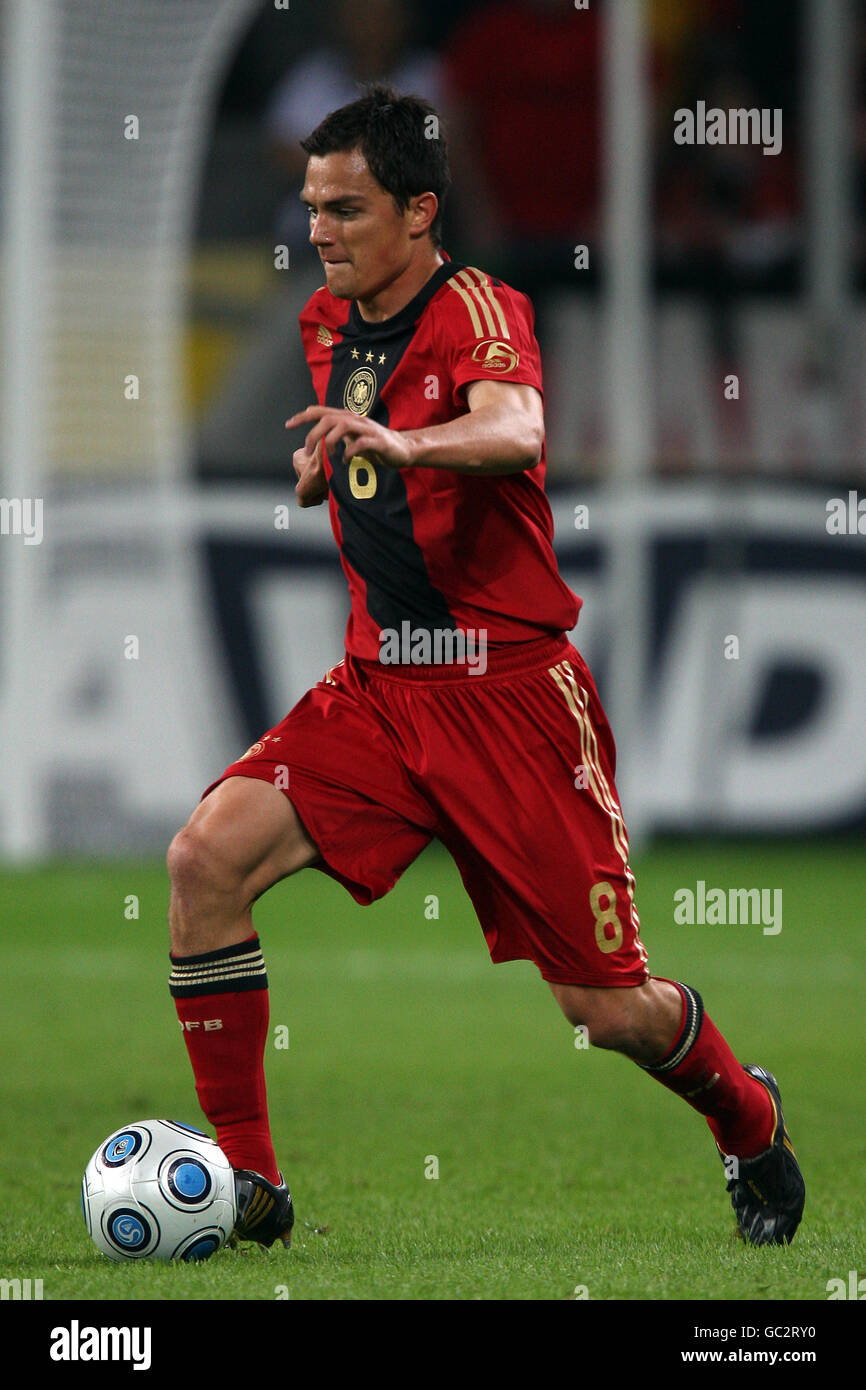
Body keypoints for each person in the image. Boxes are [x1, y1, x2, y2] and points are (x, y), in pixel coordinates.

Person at [166, 86, 805, 1251]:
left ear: (418, 212)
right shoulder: (326, 323)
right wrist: (340, 470)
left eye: (347, 210)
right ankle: (247, 1183)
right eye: (312, 208)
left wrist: (405, 441)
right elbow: (365, 456)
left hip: (508, 698)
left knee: (604, 1007)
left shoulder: (478, 307)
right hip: (376, 692)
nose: (321, 231)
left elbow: (512, 428)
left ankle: (747, 1116)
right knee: (203, 860)